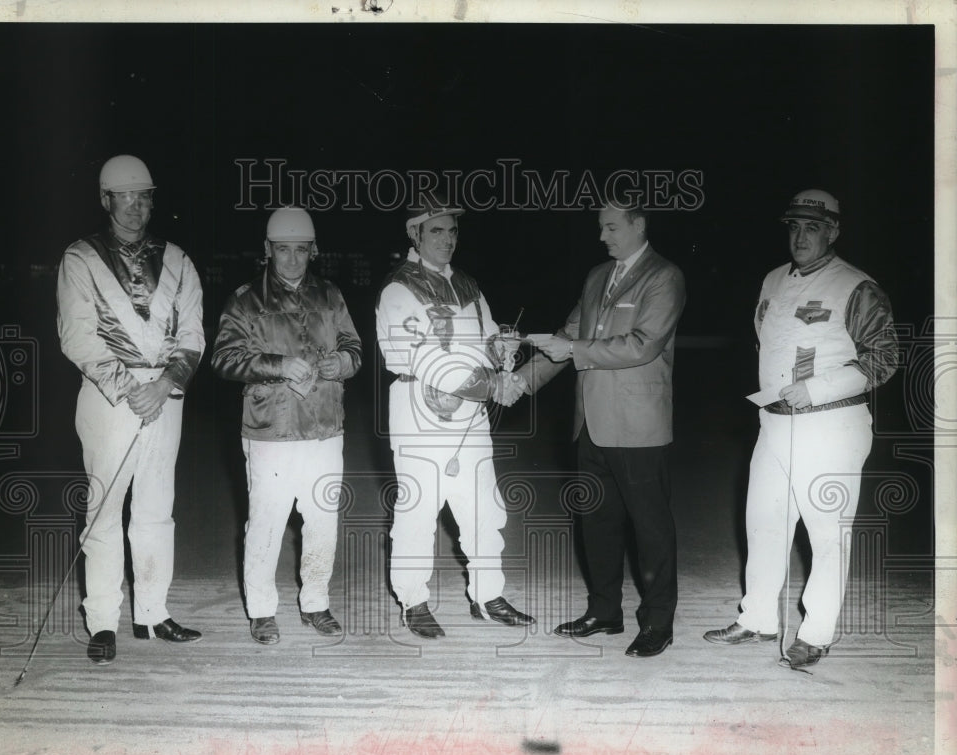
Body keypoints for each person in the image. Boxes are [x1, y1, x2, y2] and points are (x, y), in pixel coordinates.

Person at [703, 189, 898, 669]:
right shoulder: (772, 280)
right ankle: (757, 619)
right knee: (764, 524)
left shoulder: (857, 286)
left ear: (833, 230)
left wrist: (818, 388)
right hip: (773, 424)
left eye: (812, 227)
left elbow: (885, 358)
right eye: (793, 226)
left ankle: (815, 632)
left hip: (830, 425)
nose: (800, 236)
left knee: (827, 533)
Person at [510, 198, 686, 658]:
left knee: (650, 529)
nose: (602, 236)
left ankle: (658, 623)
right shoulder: (594, 278)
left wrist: (573, 350)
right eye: (601, 228)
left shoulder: (664, 277)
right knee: (597, 524)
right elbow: (566, 339)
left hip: (639, 427)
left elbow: (642, 345)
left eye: (610, 228)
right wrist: (516, 382)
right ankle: (605, 612)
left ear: (638, 225)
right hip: (589, 424)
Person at [56, 154, 205, 665]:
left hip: (166, 394)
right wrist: (128, 387)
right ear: (106, 199)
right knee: (102, 508)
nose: (136, 207)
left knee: (156, 508)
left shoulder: (179, 259)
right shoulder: (80, 258)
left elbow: (192, 334)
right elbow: (77, 337)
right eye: (126, 196)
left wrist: (164, 384)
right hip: (107, 397)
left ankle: (153, 611)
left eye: (144, 196)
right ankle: (102, 622)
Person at [375, 194, 533, 638]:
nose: (447, 239)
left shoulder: (467, 283)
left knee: (484, 507)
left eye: (453, 230)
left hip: (470, 417)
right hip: (420, 414)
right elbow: (420, 359)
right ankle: (414, 601)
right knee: (419, 510)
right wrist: (492, 386)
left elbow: (484, 341)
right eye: (436, 231)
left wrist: (501, 348)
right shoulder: (398, 289)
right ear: (415, 234)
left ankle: (488, 596)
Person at [212, 207, 361, 645]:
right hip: (271, 430)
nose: (292, 260)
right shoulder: (245, 299)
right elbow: (223, 358)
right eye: (283, 251)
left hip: (325, 428)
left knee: (322, 520)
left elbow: (355, 346)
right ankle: (261, 610)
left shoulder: (331, 295)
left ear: (312, 250)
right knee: (266, 522)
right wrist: (278, 366)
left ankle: (315, 602)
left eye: (301, 250)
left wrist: (342, 362)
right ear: (267, 250)